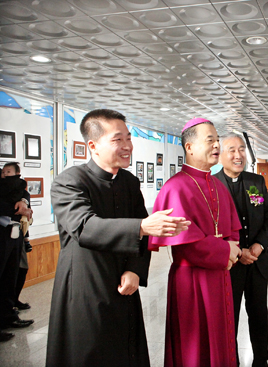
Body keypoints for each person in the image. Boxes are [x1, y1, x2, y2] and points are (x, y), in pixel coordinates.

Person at [46, 109, 190, 367]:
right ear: (93, 145)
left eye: (129, 138)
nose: (127, 146)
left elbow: (143, 238)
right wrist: (143, 226)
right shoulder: (69, 181)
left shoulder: (129, 182)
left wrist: (135, 270)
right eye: (117, 140)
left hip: (125, 287)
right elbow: (84, 227)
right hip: (85, 287)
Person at [149, 118, 242, 367]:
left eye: (217, 140)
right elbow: (187, 245)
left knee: (222, 340)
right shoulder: (175, 187)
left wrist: (232, 249)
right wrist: (227, 251)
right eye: (210, 140)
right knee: (195, 348)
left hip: (221, 275)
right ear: (189, 147)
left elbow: (233, 229)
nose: (216, 145)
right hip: (190, 281)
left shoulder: (219, 186)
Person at [214, 133, 268, 367]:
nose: (238, 155)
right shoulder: (212, 186)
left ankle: (261, 360)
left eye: (241, 149)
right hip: (229, 265)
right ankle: (231, 361)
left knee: (259, 314)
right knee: (229, 317)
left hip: (258, 263)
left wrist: (258, 246)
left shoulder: (255, 182)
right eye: (231, 150)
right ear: (219, 154)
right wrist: (239, 252)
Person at [0, 162, 34, 342]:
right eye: (4, 172)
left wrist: (24, 202)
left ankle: (8, 317)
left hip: (14, 234)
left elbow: (25, 192)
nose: (5, 174)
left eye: (8, 171)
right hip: (2, 232)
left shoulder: (18, 183)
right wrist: (18, 207)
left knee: (10, 277)